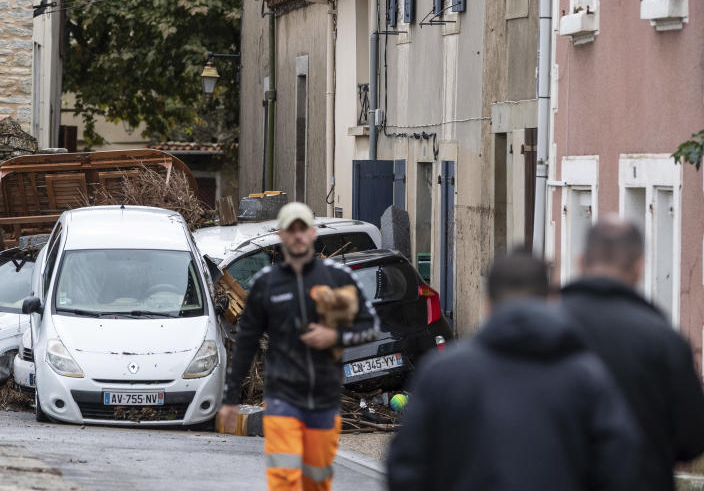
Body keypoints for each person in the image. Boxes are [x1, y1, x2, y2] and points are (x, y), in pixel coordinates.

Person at [387, 251, 642, 491]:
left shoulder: (443, 373)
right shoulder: (587, 376)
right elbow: (621, 466)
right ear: (550, 300)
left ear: (487, 304)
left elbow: (405, 468)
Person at [219, 202, 379, 491]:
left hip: (324, 398)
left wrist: (335, 337)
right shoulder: (266, 285)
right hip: (282, 398)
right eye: (290, 230)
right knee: (284, 478)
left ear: (312, 233)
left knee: (315, 481)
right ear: (281, 235)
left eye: (302, 229)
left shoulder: (336, 279)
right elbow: (246, 342)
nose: (296, 235)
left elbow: (369, 327)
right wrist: (230, 399)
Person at [562, 216, 704, 490]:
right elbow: (693, 438)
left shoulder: (545, 325)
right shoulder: (664, 340)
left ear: (581, 262)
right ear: (639, 268)